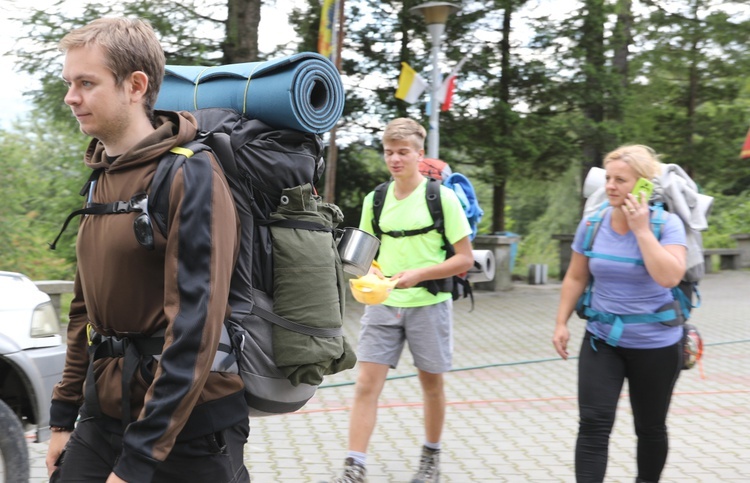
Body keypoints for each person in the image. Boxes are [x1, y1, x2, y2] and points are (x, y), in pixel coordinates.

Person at [46, 18, 249, 483]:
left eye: (86, 83)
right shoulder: (102, 175)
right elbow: (84, 309)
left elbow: (195, 328)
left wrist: (138, 460)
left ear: (135, 85)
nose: (70, 97)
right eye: (68, 83)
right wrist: (63, 415)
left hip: (188, 427)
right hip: (106, 412)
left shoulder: (190, 175)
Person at [329, 118, 474, 483]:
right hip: (383, 305)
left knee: (431, 385)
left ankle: (431, 457)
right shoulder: (374, 199)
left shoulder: (442, 198)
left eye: (403, 152)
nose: (395, 159)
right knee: (365, 383)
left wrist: (419, 274)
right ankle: (354, 465)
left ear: (419, 154)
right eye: (389, 153)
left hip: (428, 304)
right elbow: (363, 255)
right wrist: (371, 274)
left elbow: (464, 259)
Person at [552, 144, 687, 483]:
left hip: (657, 345)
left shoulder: (667, 226)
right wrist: (561, 323)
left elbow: (670, 276)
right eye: (608, 178)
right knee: (594, 424)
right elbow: (576, 275)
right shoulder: (593, 223)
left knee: (650, 426)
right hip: (602, 341)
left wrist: (641, 230)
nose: (610, 186)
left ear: (643, 185)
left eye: (620, 180)